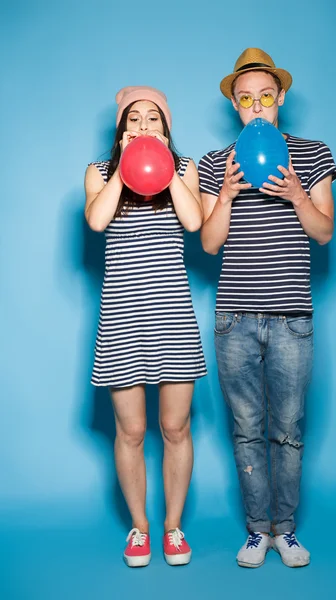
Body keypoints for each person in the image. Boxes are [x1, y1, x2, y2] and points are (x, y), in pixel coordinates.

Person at [198, 48, 336, 569]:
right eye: (245, 100)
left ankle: (287, 529)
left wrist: (299, 195)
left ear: (280, 98)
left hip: (291, 321)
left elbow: (324, 232)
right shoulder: (217, 164)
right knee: (247, 427)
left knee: (289, 428)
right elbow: (210, 245)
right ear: (236, 106)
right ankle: (258, 531)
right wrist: (228, 195)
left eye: (265, 98)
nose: (256, 108)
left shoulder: (313, 152)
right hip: (234, 318)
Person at [84, 86, 207, 567]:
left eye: (153, 119)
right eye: (132, 119)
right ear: (119, 130)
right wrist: (125, 165)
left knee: (175, 427)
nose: (142, 126)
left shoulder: (185, 169)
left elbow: (195, 222)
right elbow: (96, 221)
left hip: (173, 315)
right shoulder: (98, 173)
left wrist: (164, 164)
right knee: (131, 430)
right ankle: (140, 529)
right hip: (121, 319)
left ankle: (174, 529)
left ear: (167, 127)